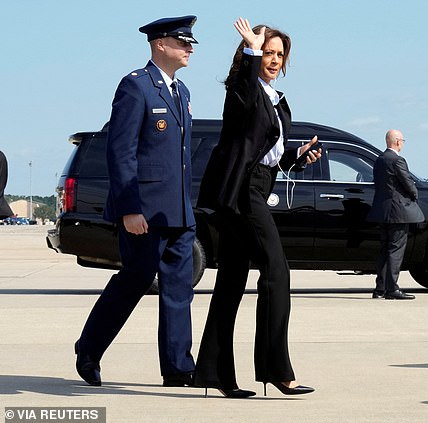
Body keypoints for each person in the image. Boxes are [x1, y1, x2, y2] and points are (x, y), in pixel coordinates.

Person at [195, 17, 320, 398]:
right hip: (240, 193)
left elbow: (266, 155)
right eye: (268, 53)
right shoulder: (242, 88)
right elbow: (244, 96)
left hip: (259, 183)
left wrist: (296, 158)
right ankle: (277, 370)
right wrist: (250, 49)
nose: (274, 59)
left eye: (280, 54)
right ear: (254, 55)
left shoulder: (277, 99)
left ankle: (215, 374)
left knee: (232, 277)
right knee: (277, 270)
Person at [74, 16, 199, 387]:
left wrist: (186, 207)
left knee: (179, 290)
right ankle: (89, 349)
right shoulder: (136, 87)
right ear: (160, 44)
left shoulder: (183, 92)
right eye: (182, 41)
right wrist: (129, 207)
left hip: (177, 209)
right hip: (143, 210)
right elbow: (121, 151)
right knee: (135, 279)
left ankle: (178, 367)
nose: (189, 48)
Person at [367, 130, 425, 300]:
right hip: (398, 212)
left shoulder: (379, 160)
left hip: (383, 211)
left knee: (384, 249)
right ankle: (392, 289)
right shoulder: (397, 160)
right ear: (398, 142)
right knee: (395, 250)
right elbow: (407, 182)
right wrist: (415, 194)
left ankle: (380, 289)